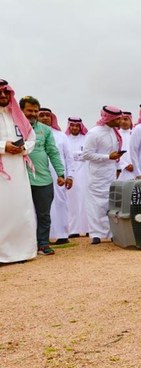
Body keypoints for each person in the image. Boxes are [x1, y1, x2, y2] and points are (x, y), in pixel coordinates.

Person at [21, 97, 65, 256]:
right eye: (29, 110)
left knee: (43, 214)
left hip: (42, 179)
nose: (33, 113)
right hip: (20, 179)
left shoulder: (45, 130)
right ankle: (23, 246)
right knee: (21, 214)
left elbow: (53, 152)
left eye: (35, 111)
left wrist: (60, 173)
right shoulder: (14, 127)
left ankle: (43, 244)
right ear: (22, 111)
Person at [0, 79, 38, 263]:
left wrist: (23, 148)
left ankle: (22, 252)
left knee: (20, 209)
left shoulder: (16, 115)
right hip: (1, 170)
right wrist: (3, 146)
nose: (3, 96)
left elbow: (31, 137)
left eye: (6, 92)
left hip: (18, 170)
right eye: (0, 92)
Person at [82, 105, 124, 244]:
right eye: (117, 119)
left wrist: (116, 165)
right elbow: (86, 154)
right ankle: (96, 234)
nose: (120, 121)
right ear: (110, 118)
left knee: (110, 203)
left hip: (110, 173)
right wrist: (107, 157)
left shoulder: (114, 132)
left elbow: (114, 154)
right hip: (97, 175)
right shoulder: (94, 133)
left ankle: (112, 233)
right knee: (96, 205)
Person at [38, 108, 74, 245]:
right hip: (39, 175)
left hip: (59, 176)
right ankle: (42, 237)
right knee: (41, 206)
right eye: (42, 115)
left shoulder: (61, 136)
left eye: (48, 115)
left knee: (60, 203)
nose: (46, 118)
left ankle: (62, 234)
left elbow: (69, 158)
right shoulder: (31, 133)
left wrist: (70, 176)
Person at [65, 117, 89, 237]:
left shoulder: (86, 138)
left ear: (80, 127)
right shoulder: (66, 138)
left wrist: (77, 155)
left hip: (84, 172)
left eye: (77, 125)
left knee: (85, 200)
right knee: (71, 201)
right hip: (70, 173)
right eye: (72, 125)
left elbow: (89, 154)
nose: (74, 127)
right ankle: (72, 230)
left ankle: (87, 228)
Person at [117, 111, 134, 180]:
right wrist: (125, 165)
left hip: (137, 169)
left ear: (130, 121)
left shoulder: (135, 134)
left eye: (126, 119)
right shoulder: (116, 135)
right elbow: (114, 152)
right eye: (121, 119)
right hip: (121, 169)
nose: (123, 121)